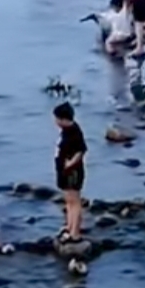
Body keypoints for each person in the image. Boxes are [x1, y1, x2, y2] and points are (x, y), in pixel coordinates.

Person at [53, 103, 87, 241]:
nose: (55, 121)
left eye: (57, 118)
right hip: (63, 170)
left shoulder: (74, 132)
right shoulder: (65, 131)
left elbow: (81, 150)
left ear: (63, 119)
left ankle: (75, 232)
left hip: (73, 172)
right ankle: (69, 225)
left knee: (74, 201)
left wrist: (70, 163)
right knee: (68, 201)